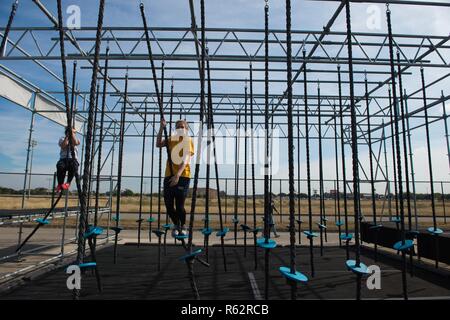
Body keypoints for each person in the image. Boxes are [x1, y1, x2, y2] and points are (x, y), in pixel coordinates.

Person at [156, 118, 194, 237]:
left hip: (182, 176)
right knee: (168, 204)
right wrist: (162, 128)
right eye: (177, 127)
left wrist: (177, 175)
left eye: (182, 126)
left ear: (186, 129)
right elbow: (158, 144)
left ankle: (182, 226)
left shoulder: (188, 140)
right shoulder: (171, 139)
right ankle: (176, 224)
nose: (180, 129)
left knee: (179, 205)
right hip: (169, 175)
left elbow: (186, 159)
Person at [56, 127, 80, 193]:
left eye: (74, 133)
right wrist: (67, 137)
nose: (73, 134)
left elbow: (75, 143)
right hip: (63, 159)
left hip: (73, 159)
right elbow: (63, 146)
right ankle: (60, 184)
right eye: (72, 132)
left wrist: (72, 135)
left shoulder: (76, 139)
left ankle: (68, 183)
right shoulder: (62, 139)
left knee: (74, 166)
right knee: (60, 166)